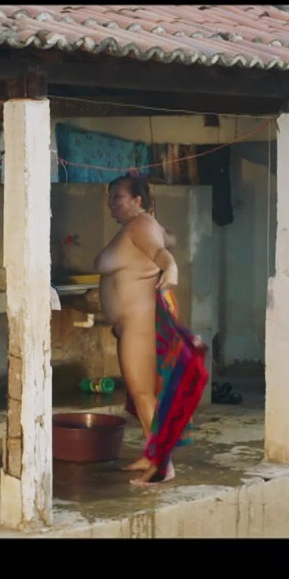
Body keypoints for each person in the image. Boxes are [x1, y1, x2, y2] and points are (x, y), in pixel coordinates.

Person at [95, 173, 205, 486]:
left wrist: (171, 268)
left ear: (137, 200)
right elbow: (168, 240)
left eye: (118, 197)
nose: (111, 204)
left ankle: (163, 465)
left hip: (140, 326)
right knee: (140, 394)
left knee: (145, 395)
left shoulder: (140, 225)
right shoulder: (144, 225)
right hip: (133, 325)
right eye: (110, 197)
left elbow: (162, 254)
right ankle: (151, 455)